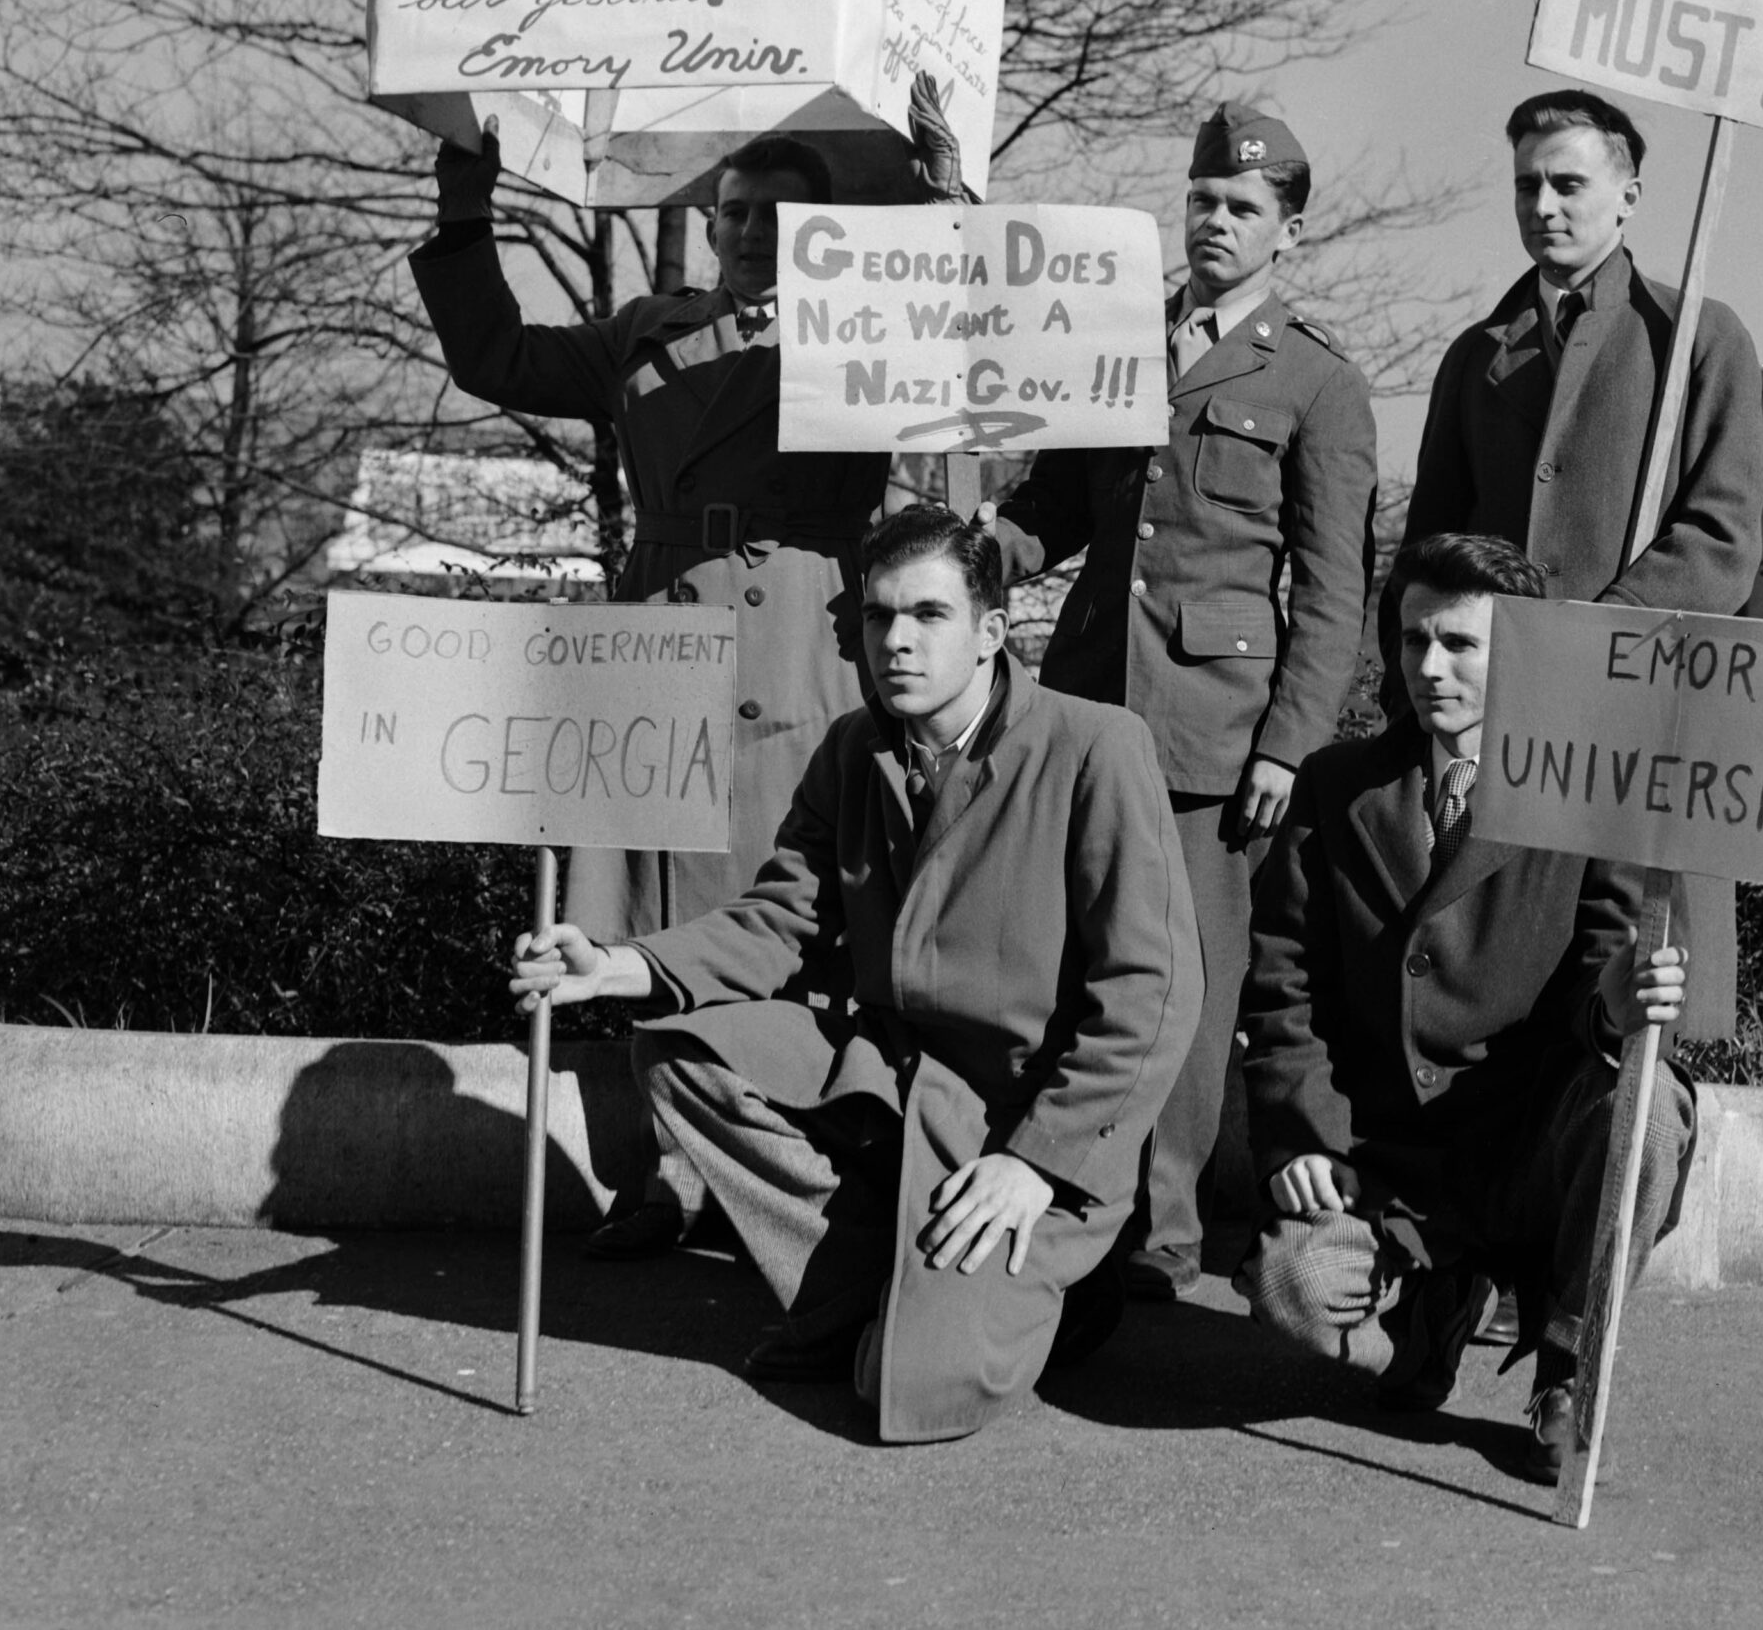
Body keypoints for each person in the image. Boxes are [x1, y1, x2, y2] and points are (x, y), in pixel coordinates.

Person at [509, 506, 1203, 1444]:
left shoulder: (1095, 746)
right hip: (891, 1085)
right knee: (680, 1053)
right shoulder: (852, 747)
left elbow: (1151, 994)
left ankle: (1061, 1294)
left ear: (993, 631)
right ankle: (862, 1285)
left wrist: (1038, 1163)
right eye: (879, 617)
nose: (898, 642)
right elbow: (778, 921)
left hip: (1020, 1123)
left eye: (928, 615)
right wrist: (622, 964)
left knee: (908, 1392)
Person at [414, 85, 958, 1257]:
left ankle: (783, 1149)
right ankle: (662, 1171)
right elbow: (494, 355)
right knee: (654, 906)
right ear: (710, 223)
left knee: (786, 904)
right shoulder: (648, 334)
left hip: (797, 640)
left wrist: (942, 203)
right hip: (659, 636)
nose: (753, 235)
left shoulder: (867, 333)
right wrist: (469, 207)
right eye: (736, 213)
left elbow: (950, 420)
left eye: (779, 220)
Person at [986, 101, 1378, 1302]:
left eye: (1243, 208)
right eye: (1203, 199)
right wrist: (966, 559)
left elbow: (1331, 585)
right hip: (1086, 703)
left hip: (1215, 728)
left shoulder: (1314, 381)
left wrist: (1288, 745)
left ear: (1287, 234)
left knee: (1188, 992)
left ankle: (1157, 1238)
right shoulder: (1112, 340)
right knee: (1067, 959)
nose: (1215, 221)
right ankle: (1061, 1194)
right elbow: (1054, 506)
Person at [1238, 532, 1694, 1484]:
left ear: (1518, 650)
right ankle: (1424, 1314)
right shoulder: (1334, 785)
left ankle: (1569, 1372)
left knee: (1651, 1117)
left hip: (1527, 1144)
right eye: (1411, 641)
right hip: (1391, 1158)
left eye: (1460, 643)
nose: (1428, 667)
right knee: (1293, 1285)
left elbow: (1603, 973)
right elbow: (1283, 983)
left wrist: (1614, 1003)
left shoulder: (1592, 789)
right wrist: (1303, 1137)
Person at [1401, 87, 1763, 1016]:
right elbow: (1425, 553)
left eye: (1567, 183)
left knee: (1625, 1011)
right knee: (1487, 1002)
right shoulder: (1475, 356)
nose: (1542, 207)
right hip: (1493, 729)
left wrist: (1594, 641)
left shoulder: (1699, 340)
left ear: (1629, 195)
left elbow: (1721, 539)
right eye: (1526, 186)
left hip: (1638, 723)